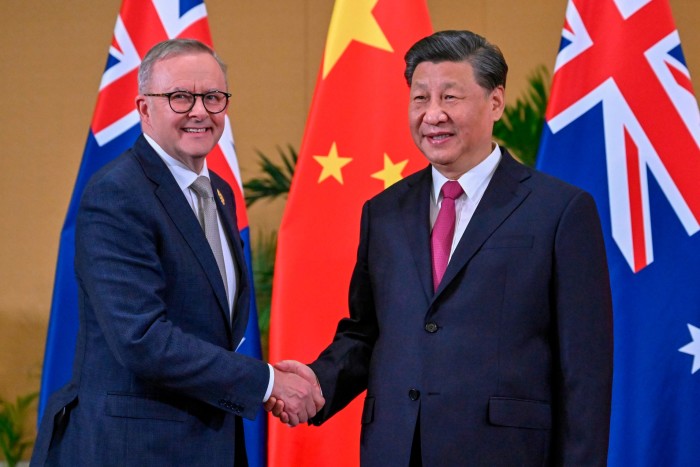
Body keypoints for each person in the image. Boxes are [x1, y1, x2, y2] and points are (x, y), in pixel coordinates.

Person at [269, 30, 613, 466]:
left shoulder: (560, 211)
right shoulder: (384, 211)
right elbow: (368, 332)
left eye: (450, 97)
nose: (433, 115)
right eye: (420, 99)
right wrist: (317, 383)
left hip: (506, 453)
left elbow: (584, 371)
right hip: (395, 450)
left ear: (496, 102)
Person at [31, 39, 323, 466]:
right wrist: (265, 381)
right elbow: (142, 338)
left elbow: (206, 325)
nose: (200, 111)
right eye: (180, 97)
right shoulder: (117, 193)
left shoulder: (218, 193)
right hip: (135, 449)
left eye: (213, 97)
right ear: (144, 108)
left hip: (207, 443)